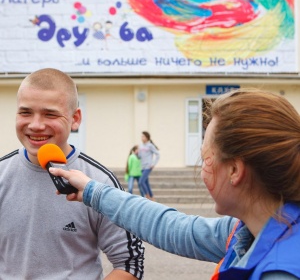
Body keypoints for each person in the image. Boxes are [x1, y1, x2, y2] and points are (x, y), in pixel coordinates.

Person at [50, 88, 300, 280]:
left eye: (205, 159)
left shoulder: (280, 272)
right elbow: (174, 228)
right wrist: (92, 190)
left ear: (234, 170)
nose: (202, 170)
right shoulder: (253, 229)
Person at [0, 68, 144, 280]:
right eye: (25, 112)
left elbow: (130, 263)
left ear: (75, 118)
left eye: (50, 114)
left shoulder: (100, 181)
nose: (36, 125)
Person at [138, 131, 160, 200]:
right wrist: (137, 153)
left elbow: (158, 154)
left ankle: (148, 197)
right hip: (142, 167)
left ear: (147, 137)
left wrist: (153, 164)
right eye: (141, 136)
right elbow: (139, 157)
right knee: (146, 183)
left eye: (143, 136)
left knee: (141, 182)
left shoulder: (150, 145)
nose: (142, 138)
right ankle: (152, 197)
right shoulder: (141, 145)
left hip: (148, 167)